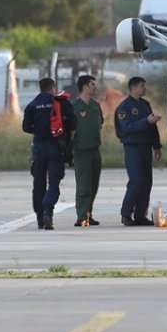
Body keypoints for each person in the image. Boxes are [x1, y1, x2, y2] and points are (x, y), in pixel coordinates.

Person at [22, 77, 76, 230]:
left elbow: (26, 127)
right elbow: (74, 123)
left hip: (38, 147)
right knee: (54, 183)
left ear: (40, 88)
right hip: (56, 147)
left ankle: (40, 217)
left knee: (38, 183)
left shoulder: (32, 105)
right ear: (53, 88)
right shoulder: (61, 103)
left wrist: (39, 130)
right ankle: (48, 211)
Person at [114, 76, 162, 226]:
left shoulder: (145, 105)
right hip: (132, 147)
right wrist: (145, 121)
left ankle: (141, 214)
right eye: (141, 86)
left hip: (145, 147)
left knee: (147, 181)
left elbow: (152, 127)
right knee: (136, 180)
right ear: (133, 87)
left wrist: (156, 145)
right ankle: (126, 214)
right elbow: (126, 128)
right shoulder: (124, 107)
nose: (144, 88)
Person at [71, 74, 104, 227]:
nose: (95, 87)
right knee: (83, 185)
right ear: (84, 86)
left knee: (94, 185)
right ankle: (81, 216)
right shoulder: (74, 106)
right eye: (92, 84)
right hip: (81, 150)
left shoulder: (96, 106)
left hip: (94, 149)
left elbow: (100, 124)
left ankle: (88, 214)